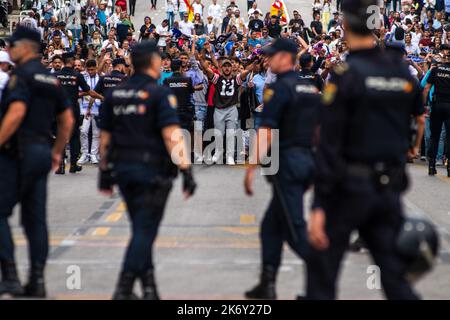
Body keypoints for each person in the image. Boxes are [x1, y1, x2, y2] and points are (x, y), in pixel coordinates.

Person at [307, 0, 426, 300]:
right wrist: (410, 149)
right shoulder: (400, 70)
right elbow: (418, 116)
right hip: (389, 188)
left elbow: (328, 142)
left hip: (348, 188)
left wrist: (319, 205)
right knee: (396, 280)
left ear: (344, 25)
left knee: (322, 277)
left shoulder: (346, 73)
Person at [98, 41, 197, 300]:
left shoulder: (115, 93)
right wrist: (186, 170)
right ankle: (124, 287)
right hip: (153, 171)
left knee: (141, 228)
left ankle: (150, 288)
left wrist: (104, 171)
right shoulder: (159, 93)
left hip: (123, 170)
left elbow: (105, 138)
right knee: (145, 230)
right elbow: (172, 135)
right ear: (154, 63)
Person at [243, 38, 321, 299]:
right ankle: (268, 284)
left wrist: (251, 167)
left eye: (272, 56)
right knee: (270, 227)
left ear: (287, 57)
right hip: (304, 161)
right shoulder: (309, 89)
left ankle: (321, 284)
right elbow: (320, 130)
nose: (267, 60)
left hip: (286, 164)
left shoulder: (277, 90)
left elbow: (265, 132)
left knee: (295, 228)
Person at [0, 26, 73, 297]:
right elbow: (67, 120)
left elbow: (17, 112)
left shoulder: (22, 76)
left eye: (12, 44)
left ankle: (9, 276)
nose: (8, 49)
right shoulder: (50, 79)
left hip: (17, 152)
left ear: (27, 46)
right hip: (41, 151)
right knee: (35, 220)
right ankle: (37, 281)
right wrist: (56, 150)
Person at [200, 50, 253, 165]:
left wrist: (252, 65)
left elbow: (246, 72)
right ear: (222, 68)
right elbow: (207, 69)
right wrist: (200, 59)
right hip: (218, 109)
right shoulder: (217, 78)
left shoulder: (236, 79)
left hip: (232, 109)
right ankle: (218, 152)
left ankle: (229, 156)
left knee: (230, 133)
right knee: (219, 133)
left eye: (229, 66)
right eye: (225, 66)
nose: (227, 68)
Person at [54, 52, 102, 174]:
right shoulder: (77, 75)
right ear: (72, 61)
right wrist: (101, 97)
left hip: (58, 109)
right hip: (72, 109)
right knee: (74, 136)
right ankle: (73, 165)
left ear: (64, 61)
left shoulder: (56, 75)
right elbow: (89, 91)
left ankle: (60, 166)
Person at [423, 44, 450, 177]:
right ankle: (449, 167)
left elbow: (426, 88)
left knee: (435, 136)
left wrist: (424, 105)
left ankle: (432, 166)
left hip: (437, 105)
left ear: (445, 58)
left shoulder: (435, 70)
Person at [163, 59, 203, 131]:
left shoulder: (167, 80)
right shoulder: (187, 79)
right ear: (180, 67)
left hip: (172, 111)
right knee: (185, 134)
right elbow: (191, 91)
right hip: (185, 111)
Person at [79, 60, 101, 165]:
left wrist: (93, 93)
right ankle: (84, 153)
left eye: (93, 69)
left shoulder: (101, 77)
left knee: (96, 133)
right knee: (83, 131)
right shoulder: (83, 77)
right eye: (89, 70)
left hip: (97, 108)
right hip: (84, 108)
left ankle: (93, 154)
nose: (91, 71)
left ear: (96, 68)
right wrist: (89, 92)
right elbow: (80, 92)